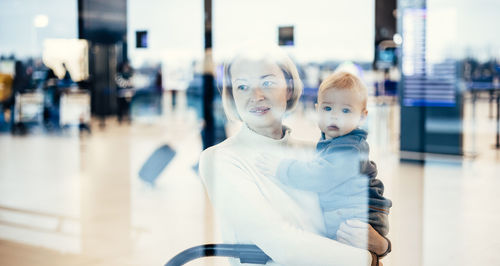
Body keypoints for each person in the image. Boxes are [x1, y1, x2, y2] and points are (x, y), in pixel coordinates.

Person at [199, 44, 389, 266]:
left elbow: (351, 213)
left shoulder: (312, 154)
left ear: (289, 89)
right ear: (231, 96)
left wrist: (381, 245)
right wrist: (370, 260)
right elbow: (283, 244)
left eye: (267, 82)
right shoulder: (220, 159)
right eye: (242, 86)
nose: (256, 95)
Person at [256, 71, 392, 246]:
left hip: (362, 218)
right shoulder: (335, 141)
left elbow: (321, 175)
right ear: (317, 109)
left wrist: (281, 168)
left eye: (345, 110)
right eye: (327, 108)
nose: (334, 116)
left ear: (362, 116)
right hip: (349, 214)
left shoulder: (350, 148)